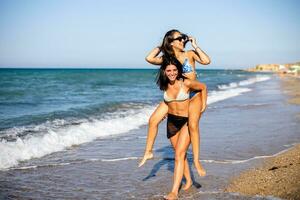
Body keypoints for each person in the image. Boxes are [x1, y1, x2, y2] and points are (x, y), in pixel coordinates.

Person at [139, 30, 210, 177]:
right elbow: (149, 58)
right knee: (153, 120)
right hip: (175, 96)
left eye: (184, 38)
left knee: (192, 126)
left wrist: (195, 45)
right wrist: (162, 45)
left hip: (192, 95)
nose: (183, 40)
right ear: (171, 42)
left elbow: (206, 61)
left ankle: (196, 161)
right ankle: (148, 152)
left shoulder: (190, 54)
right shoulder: (167, 58)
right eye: (180, 38)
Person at [155, 61, 207, 199]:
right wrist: (163, 113)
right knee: (180, 154)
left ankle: (174, 192)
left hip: (186, 121)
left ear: (178, 71)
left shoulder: (187, 83)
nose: (172, 73)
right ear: (164, 72)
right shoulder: (165, 84)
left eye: (174, 70)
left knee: (178, 154)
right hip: (172, 122)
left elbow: (203, 87)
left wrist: (203, 105)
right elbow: (168, 102)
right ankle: (189, 180)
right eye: (168, 70)